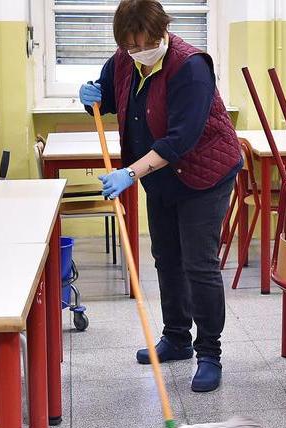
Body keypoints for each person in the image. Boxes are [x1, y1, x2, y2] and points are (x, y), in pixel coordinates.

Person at [79, 0, 241, 392]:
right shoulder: (123, 60)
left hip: (205, 174)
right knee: (166, 256)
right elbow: (111, 101)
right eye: (130, 46)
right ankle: (177, 338)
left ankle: (209, 354)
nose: (137, 52)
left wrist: (130, 173)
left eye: (144, 44)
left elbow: (181, 139)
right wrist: (91, 98)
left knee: (198, 263)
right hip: (162, 177)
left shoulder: (191, 67)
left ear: (162, 32)